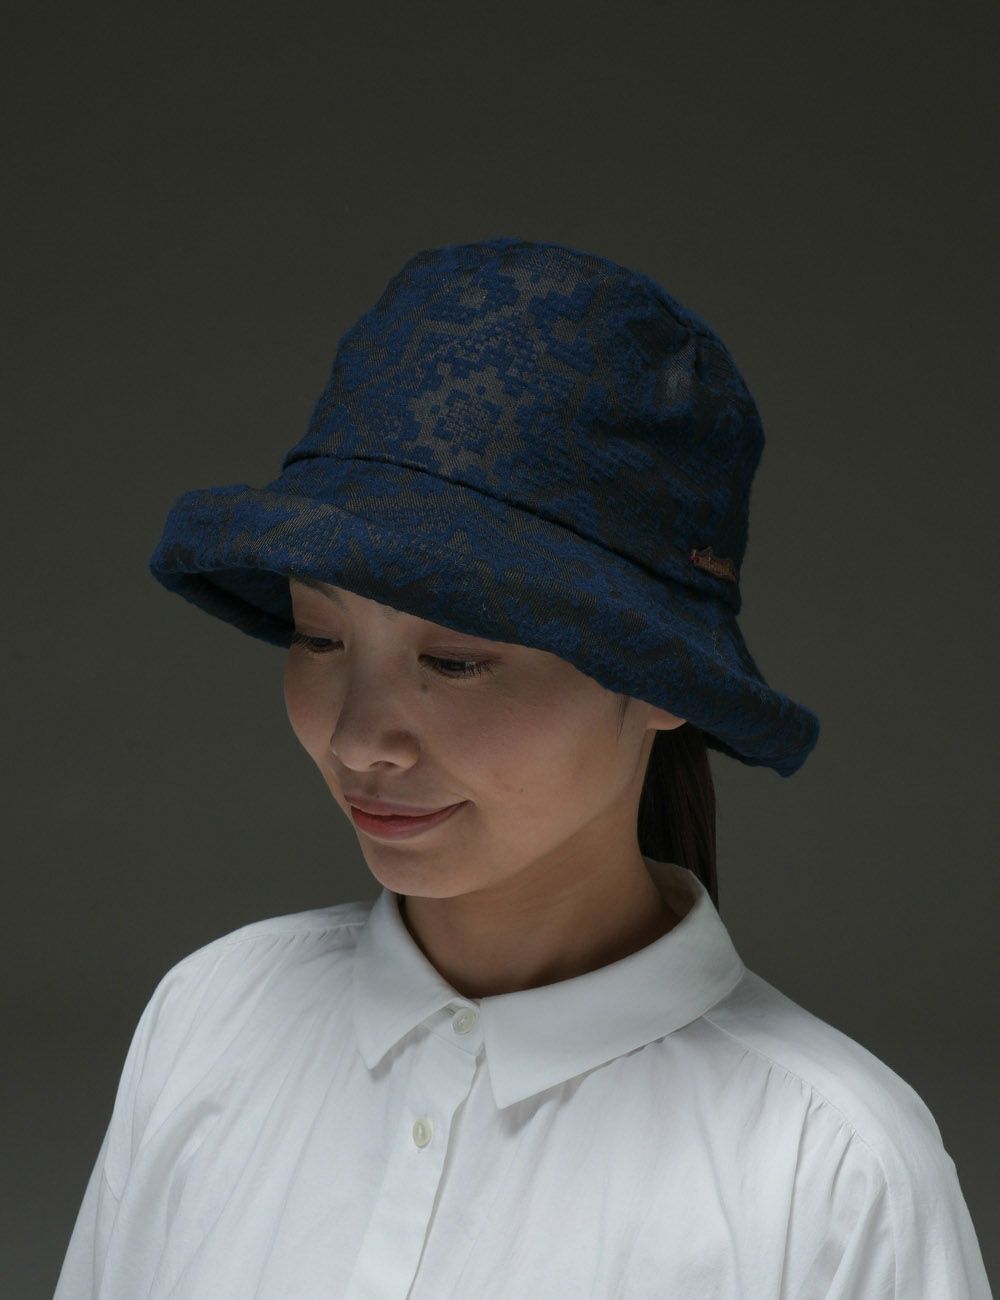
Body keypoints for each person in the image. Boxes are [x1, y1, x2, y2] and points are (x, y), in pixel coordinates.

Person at [53, 237, 992, 1298]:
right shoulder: (214, 1017)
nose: (359, 739)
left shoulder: (828, 1171)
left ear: (660, 679)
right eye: (319, 638)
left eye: (454, 660)